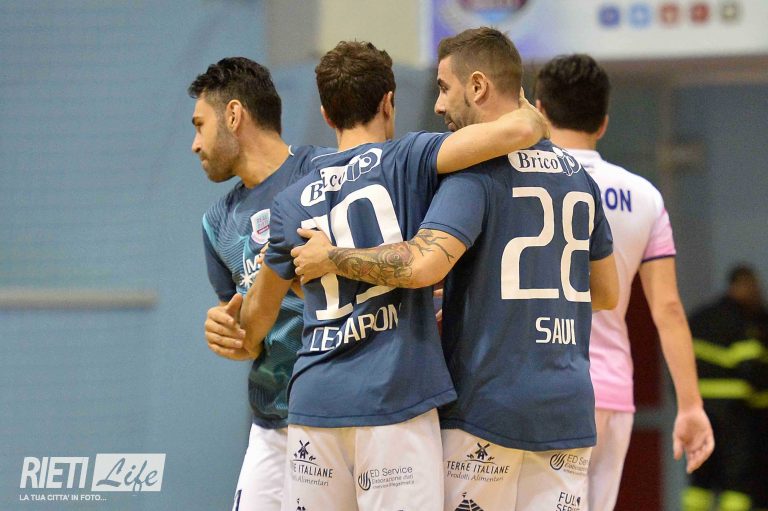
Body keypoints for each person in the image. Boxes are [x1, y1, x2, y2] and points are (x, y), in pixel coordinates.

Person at [290, 28, 619, 511]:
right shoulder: (577, 176)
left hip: (488, 406)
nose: (439, 105)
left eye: (445, 88)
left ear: (478, 86)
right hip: (568, 410)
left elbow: (421, 265)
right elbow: (607, 293)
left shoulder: (475, 172)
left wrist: (331, 257)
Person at [239, 39, 549, 511]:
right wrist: (528, 111)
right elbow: (520, 131)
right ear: (388, 102)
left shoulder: (289, 201)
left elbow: (255, 323)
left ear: (326, 114)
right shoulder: (409, 158)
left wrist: (234, 317)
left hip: (314, 405)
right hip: (394, 397)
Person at [530, 53, 714, 511]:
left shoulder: (519, 182)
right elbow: (667, 309)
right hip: (612, 395)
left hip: (541, 385)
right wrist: (691, 405)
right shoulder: (644, 196)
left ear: (539, 110)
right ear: (604, 123)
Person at [188, 56, 328, 511]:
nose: (195, 144)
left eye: (200, 125)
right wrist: (225, 333)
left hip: (339, 414)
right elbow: (246, 337)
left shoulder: (325, 173)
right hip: (271, 424)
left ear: (233, 115)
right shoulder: (217, 224)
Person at [683, 265, 768, 511]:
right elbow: (753, 367)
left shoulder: (700, 318)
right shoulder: (742, 321)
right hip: (735, 413)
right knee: (737, 480)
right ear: (740, 285)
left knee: (700, 478)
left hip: (698, 409)